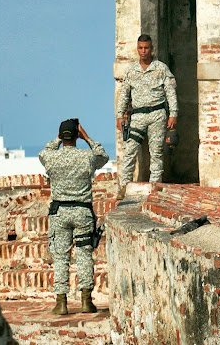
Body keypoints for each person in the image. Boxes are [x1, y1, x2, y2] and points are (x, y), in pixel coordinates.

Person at [39, 119, 109, 315]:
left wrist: (58, 139)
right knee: (84, 255)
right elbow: (103, 156)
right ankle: (87, 301)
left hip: (59, 213)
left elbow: (43, 153)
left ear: (61, 137)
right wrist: (86, 138)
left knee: (61, 257)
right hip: (83, 211)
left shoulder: (51, 158)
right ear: (77, 136)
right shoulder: (87, 157)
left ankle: (61, 303)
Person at [116, 34, 178, 199]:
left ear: (152, 49)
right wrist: (120, 115)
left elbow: (170, 92)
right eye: (141, 48)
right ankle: (123, 188)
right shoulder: (131, 70)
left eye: (146, 48)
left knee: (156, 152)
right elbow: (124, 94)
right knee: (130, 151)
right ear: (138, 49)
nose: (143, 51)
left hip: (157, 114)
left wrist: (173, 114)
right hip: (137, 116)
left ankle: (154, 187)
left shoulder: (161, 68)